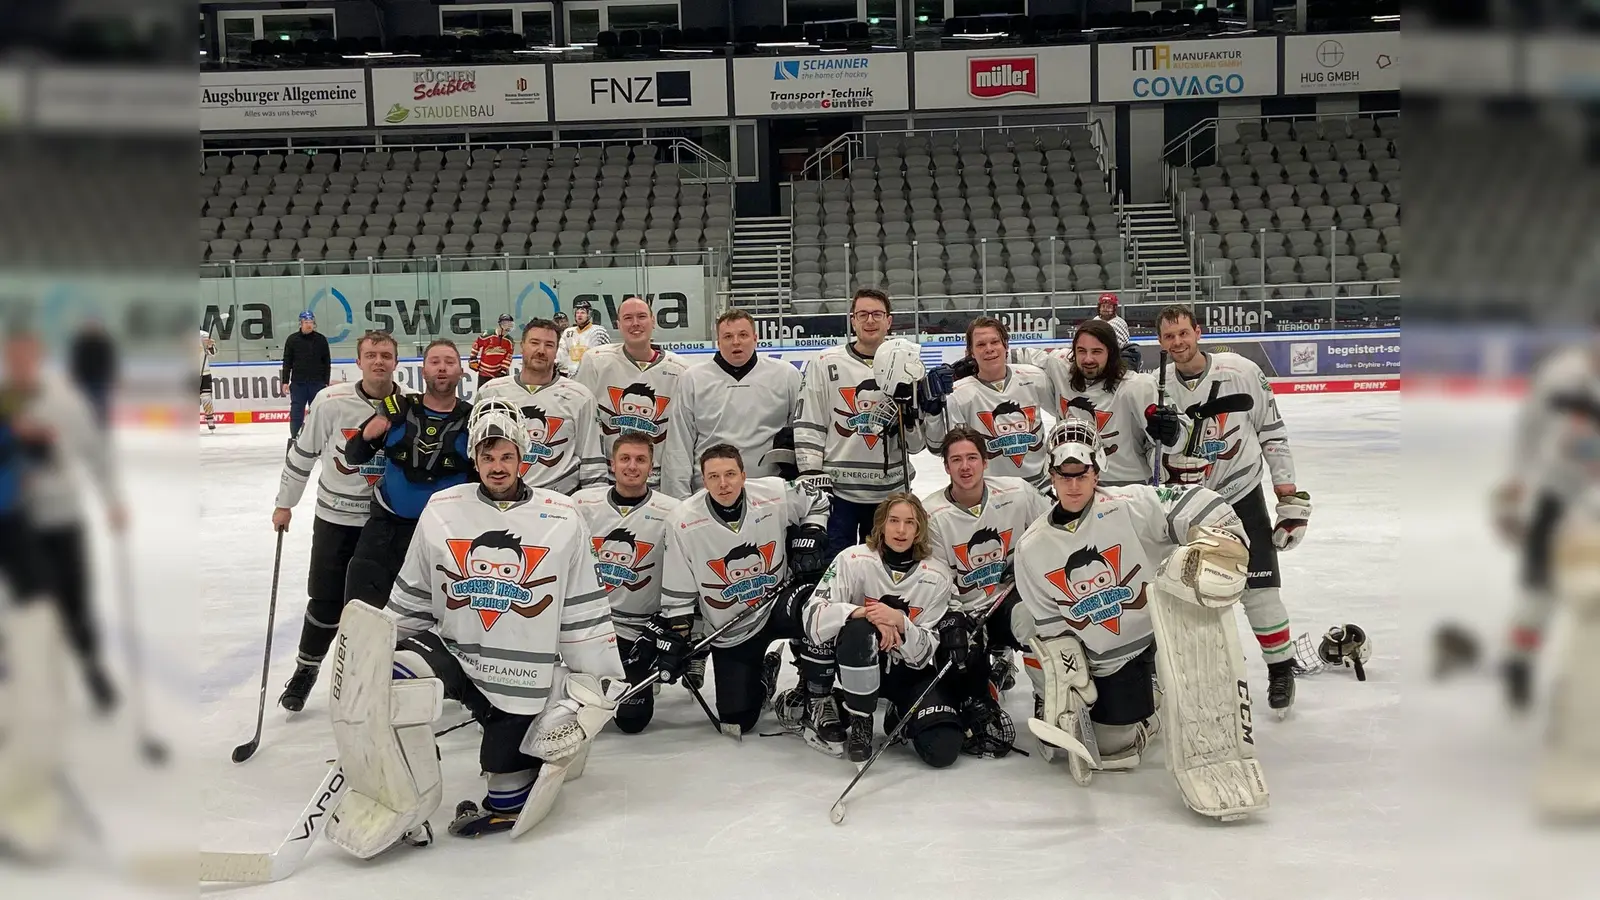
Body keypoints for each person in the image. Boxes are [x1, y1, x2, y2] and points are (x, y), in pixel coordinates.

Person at [377, 399, 626, 837]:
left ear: (522, 458)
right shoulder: (442, 507)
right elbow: (415, 590)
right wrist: (375, 641)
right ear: (473, 457)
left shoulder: (563, 516)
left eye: (506, 456)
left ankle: (512, 756)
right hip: (455, 653)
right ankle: (404, 793)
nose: (496, 466)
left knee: (507, 799)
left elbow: (582, 610)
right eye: (487, 456)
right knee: (396, 673)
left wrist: (596, 686)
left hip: (524, 681)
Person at [990, 418, 1248, 769]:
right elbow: (1051, 628)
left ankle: (1165, 694)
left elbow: (1197, 501)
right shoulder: (1031, 547)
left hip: (1160, 636)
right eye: (1065, 477)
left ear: (1097, 473)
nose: (1074, 486)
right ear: (1051, 476)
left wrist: (1225, 540)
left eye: (1082, 475)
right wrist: (1069, 681)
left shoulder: (1130, 503)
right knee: (1113, 753)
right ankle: (1131, 706)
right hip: (1107, 657)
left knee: (1120, 752)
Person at [1150, 304, 1308, 714]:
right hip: (1187, 505)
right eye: (1169, 337)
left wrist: (1289, 499)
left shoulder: (1241, 371)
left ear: (1197, 332)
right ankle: (1195, 677)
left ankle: (1280, 668)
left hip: (1240, 493)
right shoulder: (1154, 386)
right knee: (1186, 595)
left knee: (1260, 590)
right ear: (1161, 342)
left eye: (1183, 333)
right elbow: (1143, 447)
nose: (1178, 342)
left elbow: (1272, 432)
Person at [651, 444, 840, 754]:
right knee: (738, 718)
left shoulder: (773, 493)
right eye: (714, 477)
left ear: (743, 474)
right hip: (732, 628)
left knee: (816, 611)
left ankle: (817, 695)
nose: (723, 484)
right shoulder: (682, 522)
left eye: (729, 475)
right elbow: (679, 591)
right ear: (703, 479)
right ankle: (763, 676)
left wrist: (813, 531)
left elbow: (817, 499)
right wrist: (680, 636)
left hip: (780, 600)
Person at [272, 330, 404, 712]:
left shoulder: (407, 406)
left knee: (377, 607)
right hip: (334, 517)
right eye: (371, 355)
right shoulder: (330, 401)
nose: (378, 361)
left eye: (385, 355)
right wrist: (285, 504)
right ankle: (305, 671)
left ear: (396, 362)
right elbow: (303, 454)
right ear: (358, 362)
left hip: (384, 523)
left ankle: (371, 678)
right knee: (326, 599)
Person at [7, 330, 128, 712]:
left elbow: (95, 451)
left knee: (74, 600)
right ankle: (36, 679)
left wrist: (111, 499)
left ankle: (91, 669)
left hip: (61, 517)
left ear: (39, 356)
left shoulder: (64, 399)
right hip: (14, 520)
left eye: (26, 355)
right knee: (29, 605)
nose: (19, 363)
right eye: (13, 357)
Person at [802, 493, 963, 766]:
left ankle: (899, 711)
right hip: (860, 664)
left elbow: (925, 652)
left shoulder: (937, 575)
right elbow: (812, 617)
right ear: (880, 525)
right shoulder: (851, 560)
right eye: (894, 521)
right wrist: (864, 613)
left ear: (919, 529)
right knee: (859, 630)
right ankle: (861, 718)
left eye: (909, 523)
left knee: (943, 749)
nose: (901, 530)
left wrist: (899, 622)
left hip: (910, 675)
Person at [922, 426, 1052, 734]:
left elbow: (1052, 529)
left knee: (1033, 622)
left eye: (972, 458)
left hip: (1006, 600)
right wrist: (954, 617)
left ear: (985, 461)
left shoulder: (1017, 493)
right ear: (946, 466)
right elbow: (938, 579)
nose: (965, 467)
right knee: (968, 681)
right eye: (956, 460)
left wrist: (1029, 567)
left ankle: (1048, 698)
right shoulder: (932, 513)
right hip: (965, 614)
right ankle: (985, 683)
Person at [1492, 340, 1600, 708]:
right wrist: (1515, 486)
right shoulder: (1563, 374)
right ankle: (1519, 663)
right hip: (1559, 495)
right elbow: (1529, 428)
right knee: (1540, 590)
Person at [340, 339, 474, 618]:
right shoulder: (397, 408)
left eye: (449, 362)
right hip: (385, 533)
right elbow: (353, 456)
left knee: (435, 624)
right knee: (362, 617)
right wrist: (371, 430)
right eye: (434, 362)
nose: (442, 368)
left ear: (461, 372)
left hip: (446, 537)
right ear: (423, 371)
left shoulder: (473, 420)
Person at [794, 288, 927, 556]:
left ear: (889, 321)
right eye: (863, 314)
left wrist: (910, 418)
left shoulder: (909, 366)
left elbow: (916, 444)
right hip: (838, 490)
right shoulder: (825, 362)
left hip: (889, 494)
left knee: (880, 571)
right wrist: (810, 475)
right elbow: (810, 422)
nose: (870, 321)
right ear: (852, 320)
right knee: (833, 566)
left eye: (877, 314)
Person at [571, 432, 681, 733]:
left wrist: (671, 626)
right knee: (571, 709)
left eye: (641, 460)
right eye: (625, 459)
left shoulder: (672, 511)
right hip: (590, 626)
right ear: (612, 463)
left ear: (651, 466)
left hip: (639, 630)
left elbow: (686, 574)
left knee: (633, 722)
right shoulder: (582, 503)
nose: (632, 466)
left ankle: (631, 672)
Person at [661, 308, 801, 498]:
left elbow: (804, 434)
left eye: (743, 335)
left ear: (755, 338)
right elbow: (679, 444)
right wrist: (679, 500)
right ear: (718, 342)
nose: (736, 342)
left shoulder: (786, 375)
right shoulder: (693, 379)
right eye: (728, 336)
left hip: (768, 492)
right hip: (708, 494)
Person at [1013, 318, 1163, 486]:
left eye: (1097, 351)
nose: (1088, 359)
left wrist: (1172, 434)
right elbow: (1025, 356)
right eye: (1082, 351)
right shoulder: (1060, 366)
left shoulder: (1137, 386)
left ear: (1112, 353)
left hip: (1128, 485)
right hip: (1075, 482)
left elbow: (1164, 442)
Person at [476, 318, 606, 494]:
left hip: (559, 503)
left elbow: (593, 462)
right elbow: (477, 456)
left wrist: (593, 507)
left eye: (549, 345)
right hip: (501, 501)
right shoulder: (490, 393)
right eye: (534, 343)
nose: (541, 351)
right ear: (522, 346)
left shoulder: (581, 397)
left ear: (557, 351)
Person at [921, 316, 1054, 487]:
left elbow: (1061, 415)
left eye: (995, 342)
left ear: (1006, 345)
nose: (989, 349)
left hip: (1040, 487)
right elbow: (944, 448)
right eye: (981, 345)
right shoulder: (958, 394)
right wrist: (932, 413)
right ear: (970, 352)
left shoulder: (1034, 377)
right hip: (994, 493)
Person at [575, 296, 690, 490]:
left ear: (653, 321)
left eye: (642, 316)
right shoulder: (596, 362)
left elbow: (683, 434)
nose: (635, 323)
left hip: (659, 482)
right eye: (628, 318)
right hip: (609, 481)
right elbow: (581, 422)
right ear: (618, 324)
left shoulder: (680, 370)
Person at [281, 311, 332, 443]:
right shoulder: (292, 340)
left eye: (311, 323)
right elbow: (287, 361)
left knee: (318, 412)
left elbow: (327, 361)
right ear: (301, 323)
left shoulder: (321, 339)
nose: (309, 325)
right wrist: (285, 381)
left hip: (317, 383)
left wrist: (326, 381)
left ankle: (319, 439)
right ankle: (295, 438)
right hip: (298, 383)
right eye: (306, 322)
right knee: (296, 412)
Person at [69, 319, 116, 429]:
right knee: (83, 405)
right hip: (84, 380)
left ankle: (100, 426)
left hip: (100, 380)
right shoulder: (80, 343)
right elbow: (75, 361)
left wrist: (110, 377)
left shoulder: (104, 343)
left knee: (100, 405)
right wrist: (75, 376)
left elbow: (110, 362)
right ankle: (84, 426)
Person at [557, 299, 610, 376]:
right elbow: (561, 355)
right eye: (577, 313)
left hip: (590, 375)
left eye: (582, 313)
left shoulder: (598, 331)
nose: (579, 315)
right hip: (570, 376)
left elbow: (603, 357)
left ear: (589, 315)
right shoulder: (568, 332)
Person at [469, 314, 517, 385]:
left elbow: (508, 357)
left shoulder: (510, 341)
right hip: (484, 373)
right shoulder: (488, 334)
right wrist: (473, 359)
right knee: (483, 394)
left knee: (501, 395)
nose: (508, 325)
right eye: (506, 323)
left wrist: (503, 370)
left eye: (510, 323)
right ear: (501, 324)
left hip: (499, 374)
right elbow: (476, 344)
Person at [199, 328, 217, 432]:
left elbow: (213, 353)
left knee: (206, 397)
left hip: (204, 372)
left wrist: (210, 346)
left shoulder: (203, 335)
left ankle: (210, 420)